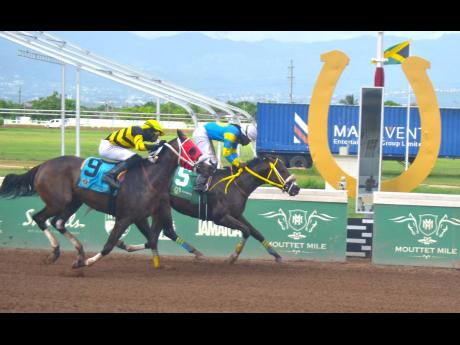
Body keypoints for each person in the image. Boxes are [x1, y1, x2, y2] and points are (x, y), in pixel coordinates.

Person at [192, 121, 257, 192]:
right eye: (248, 140)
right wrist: (238, 164)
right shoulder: (233, 133)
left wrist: (238, 162)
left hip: (205, 134)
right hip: (201, 134)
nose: (247, 143)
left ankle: (207, 181)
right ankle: (199, 185)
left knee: (214, 161)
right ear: (245, 136)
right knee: (209, 160)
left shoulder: (237, 134)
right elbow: (226, 153)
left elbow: (232, 151)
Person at [99, 119, 165, 188]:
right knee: (135, 157)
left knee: (137, 159)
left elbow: (147, 148)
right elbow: (140, 147)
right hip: (108, 147)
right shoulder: (138, 131)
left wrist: (157, 147)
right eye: (155, 133)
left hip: (112, 146)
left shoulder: (141, 133)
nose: (156, 136)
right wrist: (157, 146)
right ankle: (109, 175)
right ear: (149, 130)